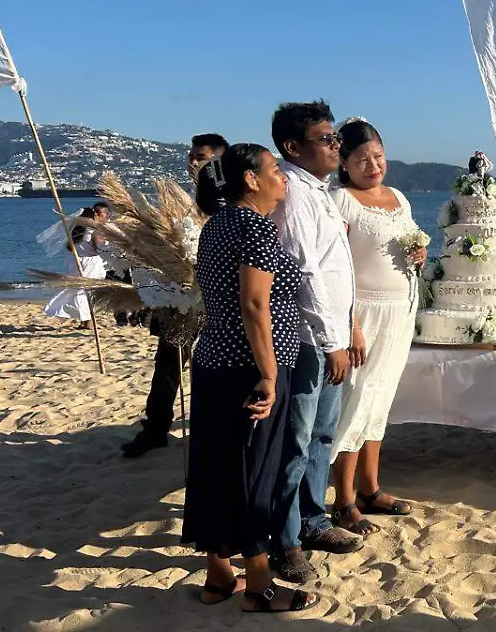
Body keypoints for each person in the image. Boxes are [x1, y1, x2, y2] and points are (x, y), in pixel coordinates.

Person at [182, 143, 317, 613]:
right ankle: (259, 583)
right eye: (276, 169)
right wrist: (270, 373)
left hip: (215, 359)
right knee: (252, 472)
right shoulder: (255, 227)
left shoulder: (215, 225)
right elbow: (255, 304)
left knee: (217, 466)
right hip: (249, 368)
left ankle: (219, 574)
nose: (283, 178)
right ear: (251, 180)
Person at [269, 100, 362, 582]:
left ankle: (312, 519)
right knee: (298, 439)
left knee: (323, 433)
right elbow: (305, 272)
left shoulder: (320, 190)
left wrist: (349, 330)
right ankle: (284, 539)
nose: (336, 146)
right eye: (327, 140)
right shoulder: (297, 194)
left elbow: (335, 269)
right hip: (309, 338)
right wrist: (331, 342)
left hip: (333, 334)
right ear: (293, 147)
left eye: (335, 139)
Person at [327, 118, 423, 538]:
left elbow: (401, 245)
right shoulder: (341, 201)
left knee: (380, 402)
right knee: (355, 402)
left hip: (400, 310)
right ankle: (343, 499)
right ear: (344, 163)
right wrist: (351, 326)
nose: (373, 166)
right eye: (362, 159)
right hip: (362, 314)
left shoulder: (398, 197)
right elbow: (336, 268)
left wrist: (417, 254)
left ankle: (370, 488)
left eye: (378, 156)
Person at [121, 134, 229, 459]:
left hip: (216, 301)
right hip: (181, 299)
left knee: (215, 369)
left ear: (218, 162)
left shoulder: (229, 201)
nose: (193, 162)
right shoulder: (181, 200)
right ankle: (156, 428)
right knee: (168, 363)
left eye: (201, 157)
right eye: (191, 156)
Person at [42, 206, 107, 329]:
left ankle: (84, 321)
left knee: (79, 291)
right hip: (90, 264)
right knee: (87, 292)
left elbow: (69, 248)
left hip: (75, 263)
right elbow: (100, 249)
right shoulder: (92, 232)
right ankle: (88, 323)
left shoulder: (75, 232)